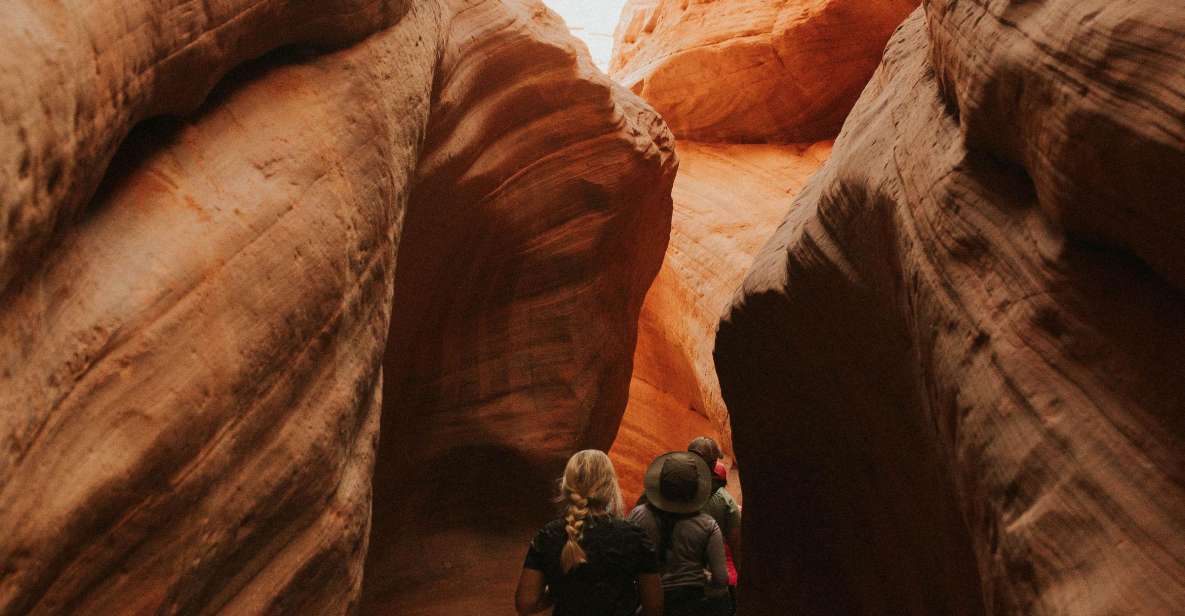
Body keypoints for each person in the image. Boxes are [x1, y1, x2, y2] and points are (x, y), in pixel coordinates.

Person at [516, 449, 663, 616]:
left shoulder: (548, 535)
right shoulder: (635, 537)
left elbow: (525, 604)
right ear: (610, 486)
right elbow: (654, 607)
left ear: (567, 485)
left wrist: (557, 591)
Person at [628, 451, 729, 616]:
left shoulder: (639, 515)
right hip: (693, 606)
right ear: (696, 488)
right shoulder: (708, 525)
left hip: (647, 604)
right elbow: (721, 578)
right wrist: (705, 577)